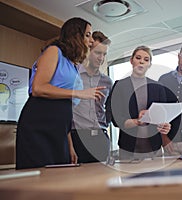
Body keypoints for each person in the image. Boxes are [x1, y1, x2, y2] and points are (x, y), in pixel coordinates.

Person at [16, 17, 105, 169]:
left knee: (61, 175)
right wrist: (79, 93)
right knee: (39, 177)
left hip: (59, 130)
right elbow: (38, 88)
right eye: (88, 35)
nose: (91, 41)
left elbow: (66, 111)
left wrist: (69, 144)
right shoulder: (53, 51)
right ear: (75, 35)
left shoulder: (73, 65)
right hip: (39, 123)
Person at [106, 45, 171, 159]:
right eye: (138, 58)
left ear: (149, 64)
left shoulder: (158, 87)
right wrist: (137, 121)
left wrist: (165, 126)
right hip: (128, 149)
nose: (141, 62)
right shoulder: (119, 86)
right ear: (131, 61)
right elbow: (115, 118)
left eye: (146, 60)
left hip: (154, 149)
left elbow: (163, 117)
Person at [71, 31, 113, 163]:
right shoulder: (73, 74)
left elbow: (109, 109)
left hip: (100, 136)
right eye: (97, 53)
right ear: (88, 50)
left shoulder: (107, 81)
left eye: (104, 54)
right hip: (77, 136)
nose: (101, 58)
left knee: (102, 180)